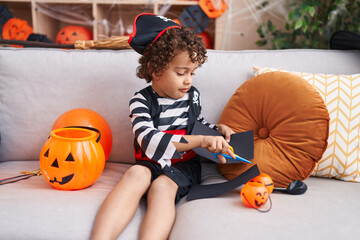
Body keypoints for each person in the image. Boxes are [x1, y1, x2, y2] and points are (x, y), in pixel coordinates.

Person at [91, 13, 236, 240]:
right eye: (181, 73)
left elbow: (196, 125)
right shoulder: (140, 101)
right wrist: (200, 141)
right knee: (135, 173)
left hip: (183, 168)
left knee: (162, 187)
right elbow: (148, 139)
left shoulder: (192, 96)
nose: (188, 81)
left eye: (192, 73)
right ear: (156, 69)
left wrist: (217, 130)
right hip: (149, 162)